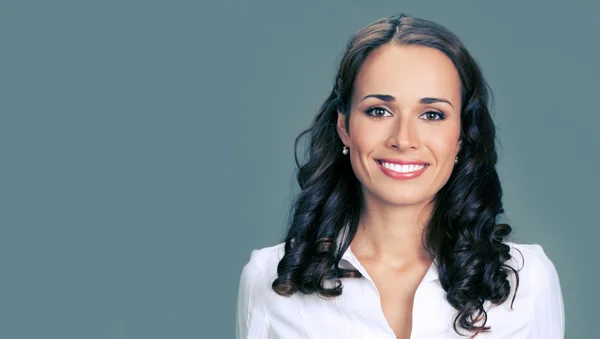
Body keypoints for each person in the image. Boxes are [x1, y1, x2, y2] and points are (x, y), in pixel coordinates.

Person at [236, 14, 565, 339]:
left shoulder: (529, 280)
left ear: (461, 138)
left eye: (432, 114)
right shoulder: (270, 278)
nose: (403, 138)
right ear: (344, 127)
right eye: (379, 111)